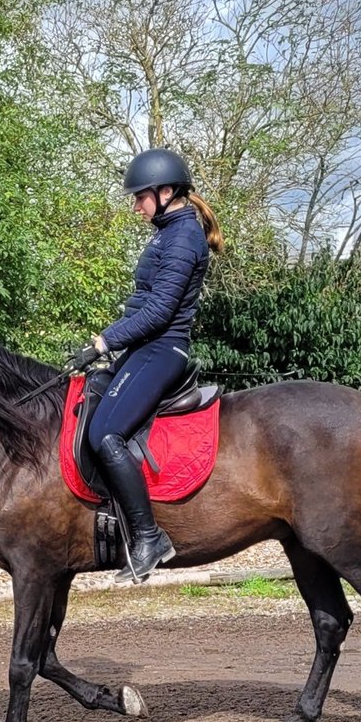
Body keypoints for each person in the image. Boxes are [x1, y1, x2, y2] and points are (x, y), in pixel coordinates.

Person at [71, 148, 225, 582]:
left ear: (166, 191)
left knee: (106, 433)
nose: (136, 206)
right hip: (143, 349)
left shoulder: (183, 237)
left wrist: (104, 341)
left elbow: (158, 312)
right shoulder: (166, 232)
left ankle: (148, 536)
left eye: (140, 197)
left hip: (162, 350)